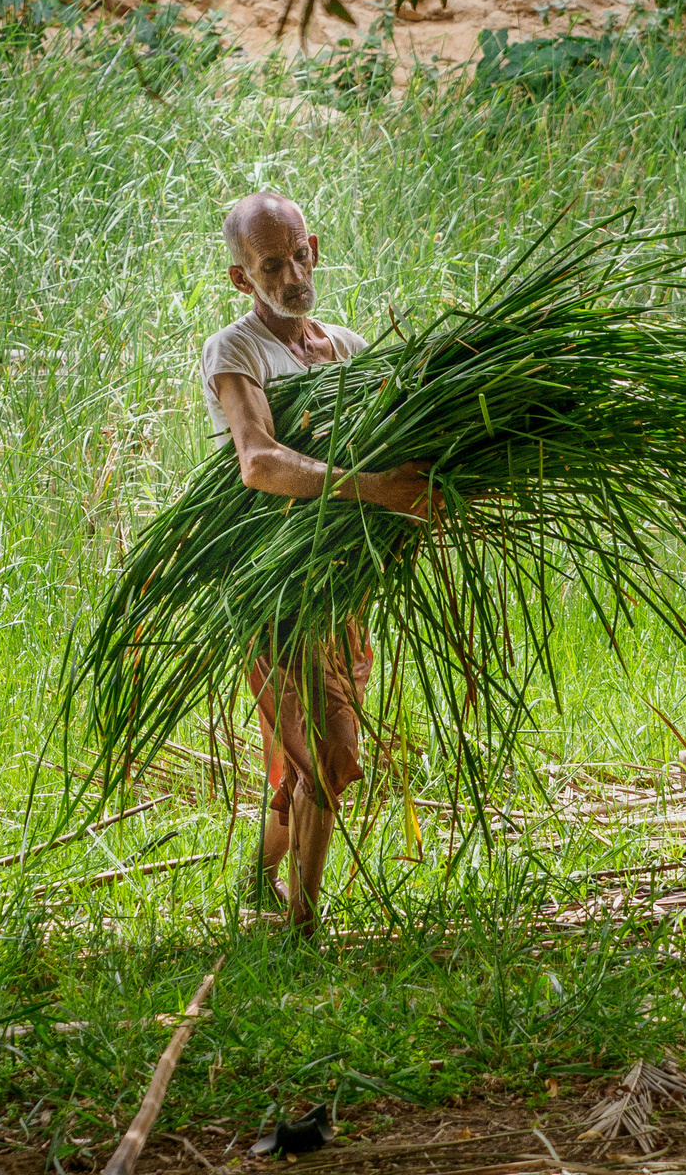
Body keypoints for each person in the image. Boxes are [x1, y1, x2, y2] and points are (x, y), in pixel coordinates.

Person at [201, 190, 427, 929]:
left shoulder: (351, 350)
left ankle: (255, 879)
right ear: (243, 279)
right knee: (329, 755)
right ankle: (301, 929)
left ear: (315, 247)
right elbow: (260, 463)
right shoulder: (237, 351)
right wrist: (378, 492)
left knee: (307, 762)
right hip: (276, 585)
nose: (293, 275)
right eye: (271, 265)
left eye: (300, 255)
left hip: (342, 587)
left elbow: (396, 450)